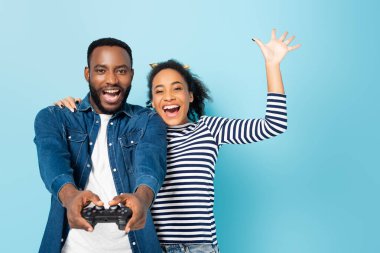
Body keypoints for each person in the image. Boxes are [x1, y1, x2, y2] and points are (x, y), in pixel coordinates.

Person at [57, 29, 300, 253]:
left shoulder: (210, 128)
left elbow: (274, 124)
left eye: (177, 88)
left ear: (190, 95)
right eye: (159, 91)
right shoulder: (138, 131)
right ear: (151, 102)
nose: (169, 96)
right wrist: (76, 106)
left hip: (200, 247)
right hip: (149, 245)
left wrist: (272, 64)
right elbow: (104, 121)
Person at [34, 38, 167, 253]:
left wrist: (142, 199)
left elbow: (150, 164)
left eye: (121, 71)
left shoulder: (148, 121)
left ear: (131, 74)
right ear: (88, 74)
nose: (112, 80)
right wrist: (70, 196)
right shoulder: (55, 117)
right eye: (101, 70)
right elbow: (52, 162)